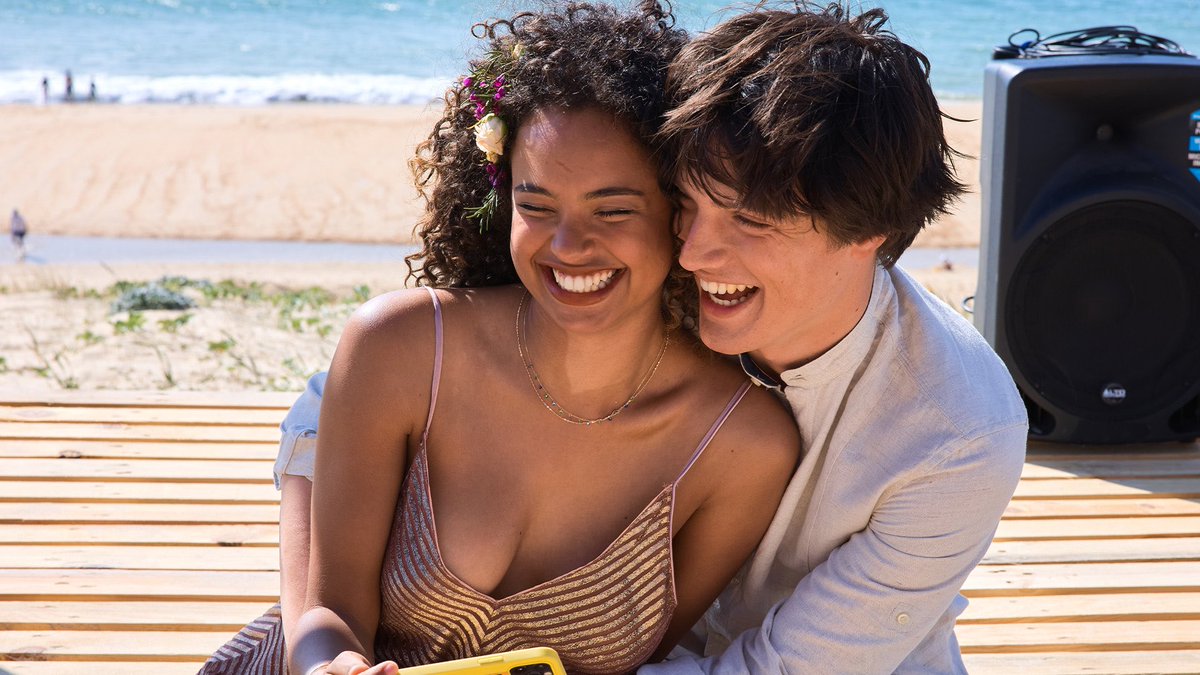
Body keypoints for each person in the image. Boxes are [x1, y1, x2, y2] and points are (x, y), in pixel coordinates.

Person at [272, 2, 1029, 673]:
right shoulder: (660, 284)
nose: (695, 253)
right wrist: (324, 638)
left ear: (872, 233)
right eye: (690, 206)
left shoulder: (958, 429)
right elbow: (335, 399)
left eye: (750, 223)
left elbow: (781, 668)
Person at [198, 3, 798, 675]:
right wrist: (329, 664)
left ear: (679, 214)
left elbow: (650, 661)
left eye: (613, 209)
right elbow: (327, 609)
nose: (569, 247)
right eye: (536, 206)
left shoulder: (742, 446)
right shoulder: (399, 348)